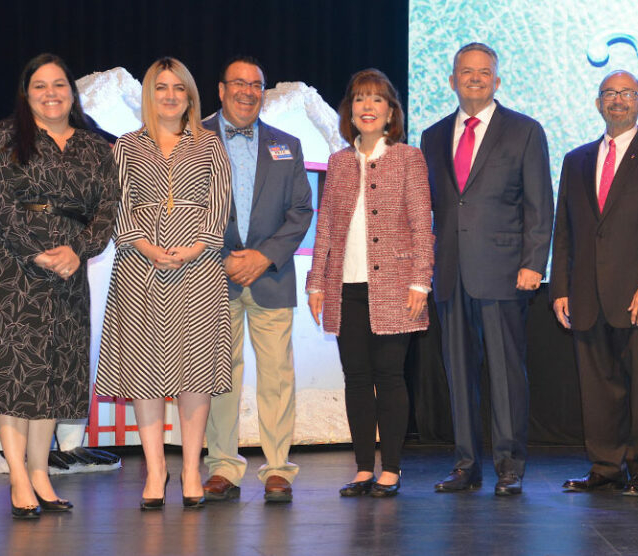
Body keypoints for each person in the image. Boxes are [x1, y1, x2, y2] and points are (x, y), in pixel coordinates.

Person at [0, 53, 119, 518]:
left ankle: (42, 473)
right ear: (27, 93)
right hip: (7, 266)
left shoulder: (93, 146)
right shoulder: (3, 137)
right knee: (11, 371)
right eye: (40, 85)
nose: (51, 93)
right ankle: (20, 477)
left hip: (68, 268)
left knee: (53, 373)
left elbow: (107, 209)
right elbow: (0, 203)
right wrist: (39, 252)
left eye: (59, 84)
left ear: (72, 91)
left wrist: (79, 249)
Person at [95, 57, 232, 510]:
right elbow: (117, 205)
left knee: (195, 372)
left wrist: (195, 247)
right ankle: (157, 470)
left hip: (199, 268)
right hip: (141, 269)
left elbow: (220, 204)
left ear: (191, 96)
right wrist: (146, 246)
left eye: (179, 88)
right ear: (149, 95)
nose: (171, 95)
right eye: (161, 87)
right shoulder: (126, 147)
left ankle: (191, 466)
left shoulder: (211, 145)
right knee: (146, 374)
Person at [421, 43, 553, 496]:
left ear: (497, 81)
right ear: (452, 79)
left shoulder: (525, 131)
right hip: (450, 270)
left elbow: (540, 205)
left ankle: (510, 464)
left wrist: (534, 263)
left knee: (505, 371)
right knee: (458, 373)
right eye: (466, 71)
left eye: (484, 72)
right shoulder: (432, 135)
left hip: (504, 271)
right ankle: (465, 464)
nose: (474, 78)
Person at [550, 70, 638, 496]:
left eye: (626, 93)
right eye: (609, 93)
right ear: (597, 103)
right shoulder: (576, 160)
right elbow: (565, 230)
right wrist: (560, 289)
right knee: (597, 389)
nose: (617, 100)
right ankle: (606, 466)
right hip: (587, 296)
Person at [307, 68, 433, 498]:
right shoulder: (339, 162)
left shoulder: (408, 158)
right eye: (359, 98)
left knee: (390, 376)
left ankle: (392, 469)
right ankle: (364, 468)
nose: (367, 106)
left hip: (397, 287)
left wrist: (421, 281)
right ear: (350, 110)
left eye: (377, 99)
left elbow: (421, 224)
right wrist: (315, 283)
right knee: (356, 378)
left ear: (391, 111)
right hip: (346, 286)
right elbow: (325, 228)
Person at [200, 56, 313, 504]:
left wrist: (264, 256)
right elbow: (180, 209)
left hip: (271, 276)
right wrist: (222, 258)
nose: (248, 92)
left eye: (257, 85)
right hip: (210, 277)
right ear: (222, 90)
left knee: (277, 376)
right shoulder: (194, 139)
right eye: (239, 84)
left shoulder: (287, 144)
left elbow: (302, 210)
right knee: (218, 375)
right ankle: (223, 466)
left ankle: (278, 468)